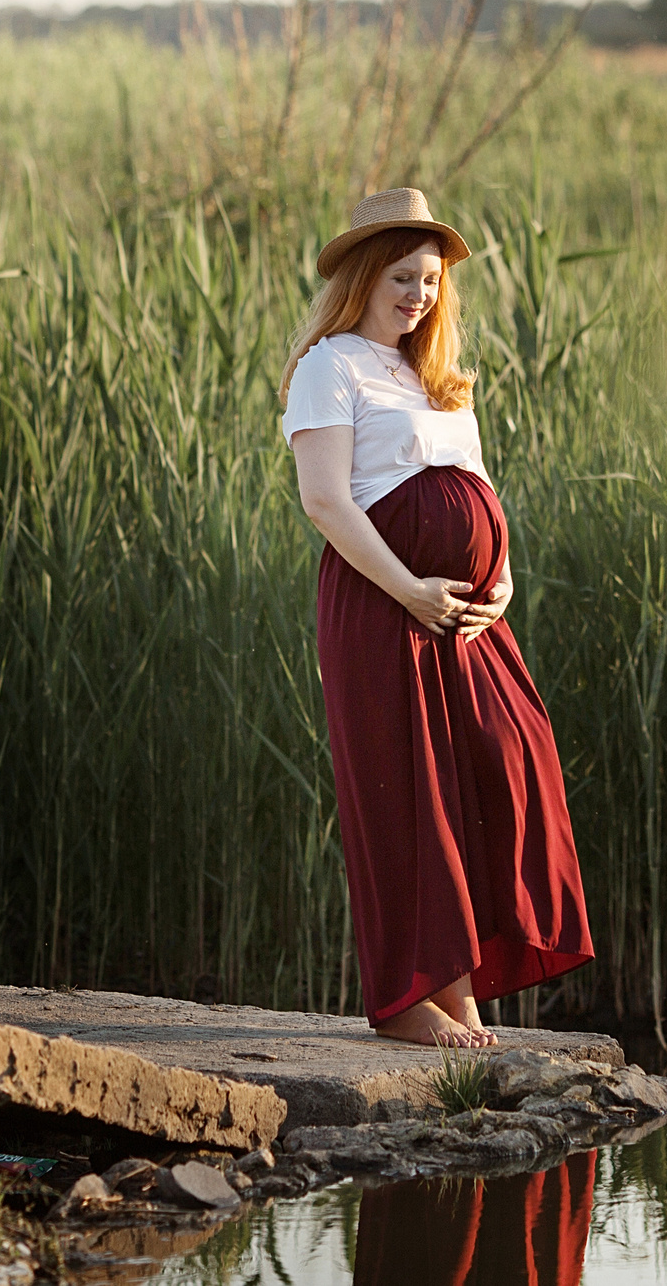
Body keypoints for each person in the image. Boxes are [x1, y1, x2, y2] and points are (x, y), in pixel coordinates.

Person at [281, 187, 594, 1049]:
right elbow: (325, 501)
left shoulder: (440, 377)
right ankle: (417, 998)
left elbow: (484, 491)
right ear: (362, 278)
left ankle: (461, 988)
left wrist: (503, 585)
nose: (418, 293)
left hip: (466, 620)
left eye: (428, 279)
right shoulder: (330, 365)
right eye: (402, 276)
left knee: (503, 765)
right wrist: (407, 589)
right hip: (382, 607)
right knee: (408, 793)